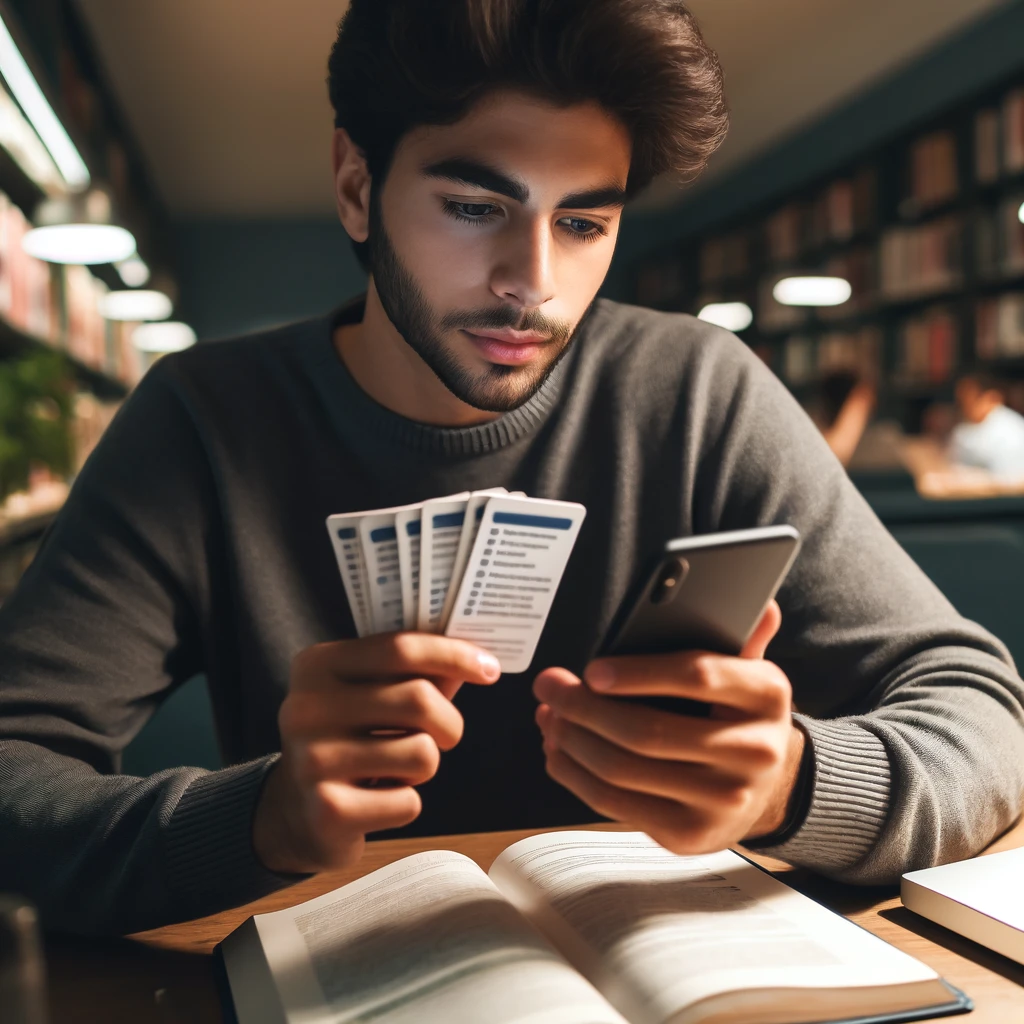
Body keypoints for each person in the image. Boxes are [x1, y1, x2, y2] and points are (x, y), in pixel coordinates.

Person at [2, 0, 1023, 937]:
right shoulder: (201, 419)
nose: (532, 282)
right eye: (474, 207)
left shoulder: (699, 389)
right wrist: (258, 819)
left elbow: (978, 710)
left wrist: (793, 785)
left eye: (583, 221)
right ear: (358, 188)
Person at [950, 370, 1024, 480]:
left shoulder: (1012, 431)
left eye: (970, 399)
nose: (965, 406)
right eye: (961, 400)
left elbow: (1011, 482)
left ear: (991, 397)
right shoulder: (963, 428)